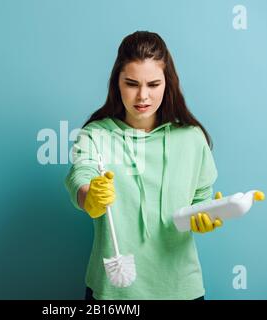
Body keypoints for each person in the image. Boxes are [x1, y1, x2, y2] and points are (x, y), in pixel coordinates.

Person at [64, 31, 223, 300]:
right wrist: (90, 196)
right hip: (113, 293)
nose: (142, 96)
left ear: (167, 84)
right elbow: (80, 176)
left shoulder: (192, 139)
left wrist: (206, 215)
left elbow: (200, 199)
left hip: (181, 289)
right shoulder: (95, 135)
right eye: (131, 83)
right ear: (117, 83)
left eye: (153, 84)